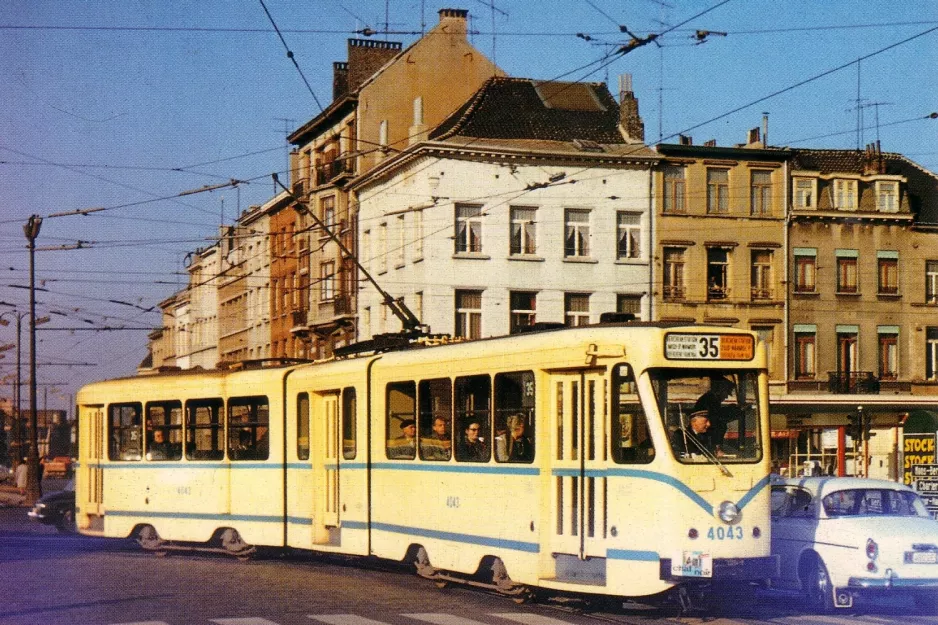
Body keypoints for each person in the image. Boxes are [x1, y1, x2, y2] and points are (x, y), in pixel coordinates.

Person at [692, 377, 740, 454]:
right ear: (720, 390)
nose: (726, 397)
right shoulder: (711, 400)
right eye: (726, 392)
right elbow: (717, 422)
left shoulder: (710, 399)